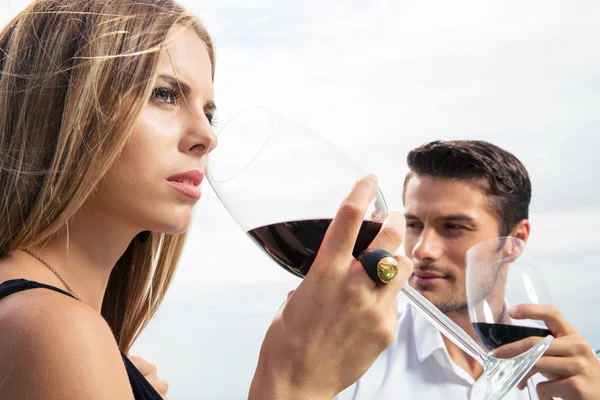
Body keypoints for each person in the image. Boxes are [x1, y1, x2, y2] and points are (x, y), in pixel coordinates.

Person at [0, 1, 414, 399]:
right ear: (59, 108)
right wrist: (295, 384)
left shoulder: (49, 326)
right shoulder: (52, 328)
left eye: (209, 112)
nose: (208, 136)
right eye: (164, 94)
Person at [337, 140, 600, 399]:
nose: (422, 250)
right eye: (414, 225)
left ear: (515, 240)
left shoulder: (565, 373)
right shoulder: (352, 360)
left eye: (453, 227)